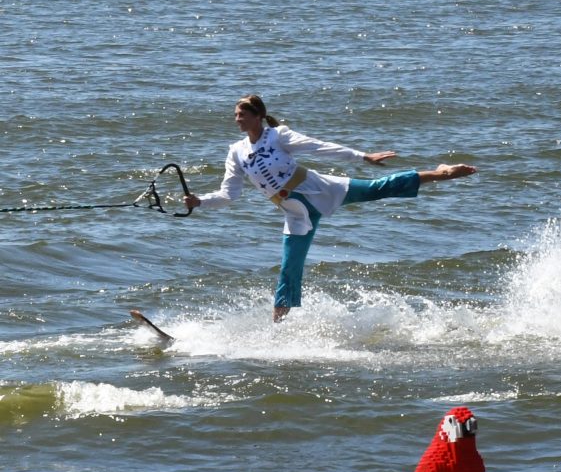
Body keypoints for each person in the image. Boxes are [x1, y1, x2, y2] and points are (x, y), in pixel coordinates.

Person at [184, 95, 477, 321]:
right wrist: (201, 202)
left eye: (243, 114)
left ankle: (442, 173)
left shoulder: (278, 136)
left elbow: (318, 147)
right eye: (235, 115)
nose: (237, 119)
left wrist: (363, 157)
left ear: (259, 116)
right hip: (295, 212)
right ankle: (277, 330)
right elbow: (229, 194)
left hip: (320, 188)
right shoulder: (236, 152)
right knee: (289, 270)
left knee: (378, 188)